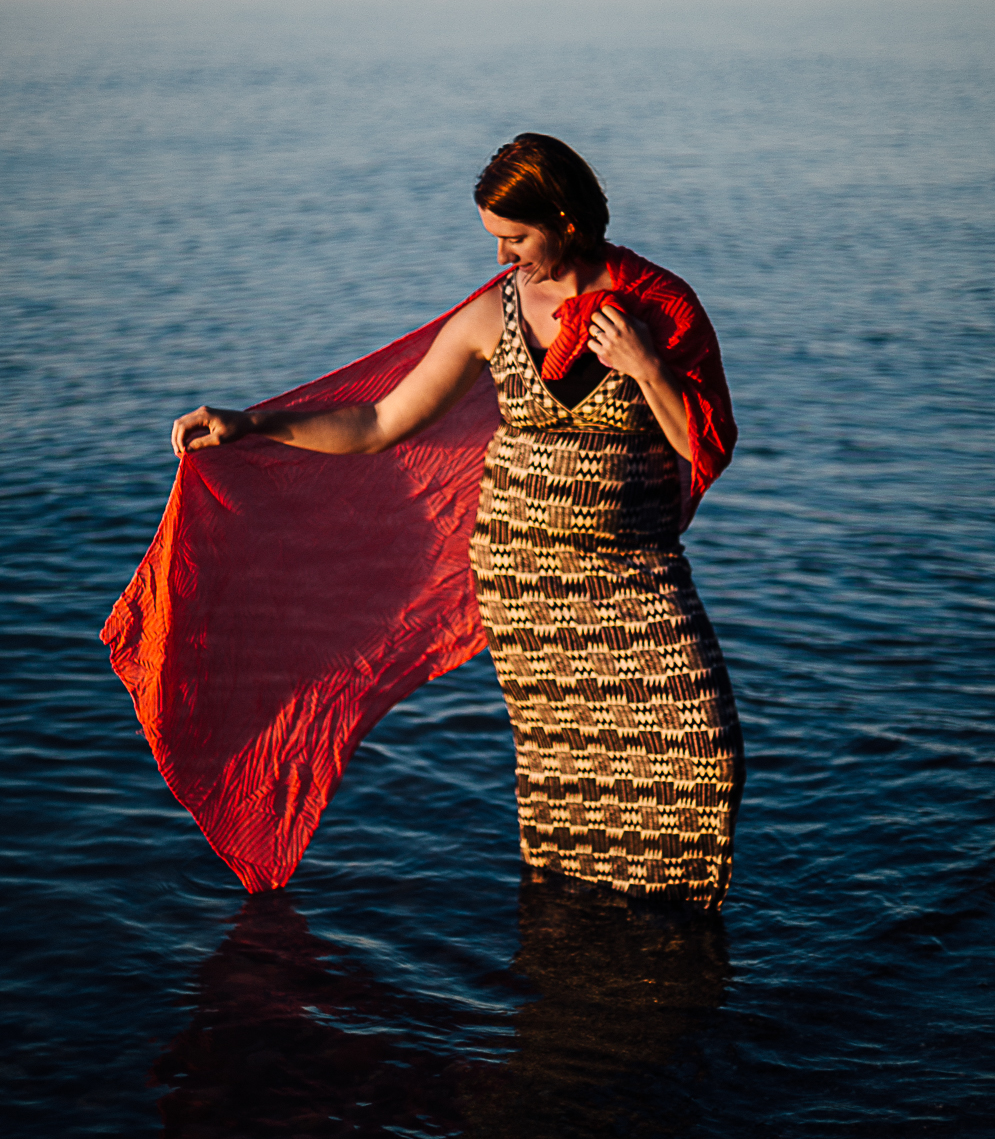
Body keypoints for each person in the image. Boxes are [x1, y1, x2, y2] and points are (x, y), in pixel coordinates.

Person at [169, 134, 745, 906]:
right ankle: (577, 930)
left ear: (567, 219)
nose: (505, 256)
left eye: (516, 238)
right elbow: (379, 422)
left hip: (633, 572)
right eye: (495, 240)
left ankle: (678, 924)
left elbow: (703, 446)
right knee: (565, 776)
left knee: (703, 746)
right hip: (527, 580)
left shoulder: (659, 309)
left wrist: (644, 365)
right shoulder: (492, 316)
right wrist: (256, 423)